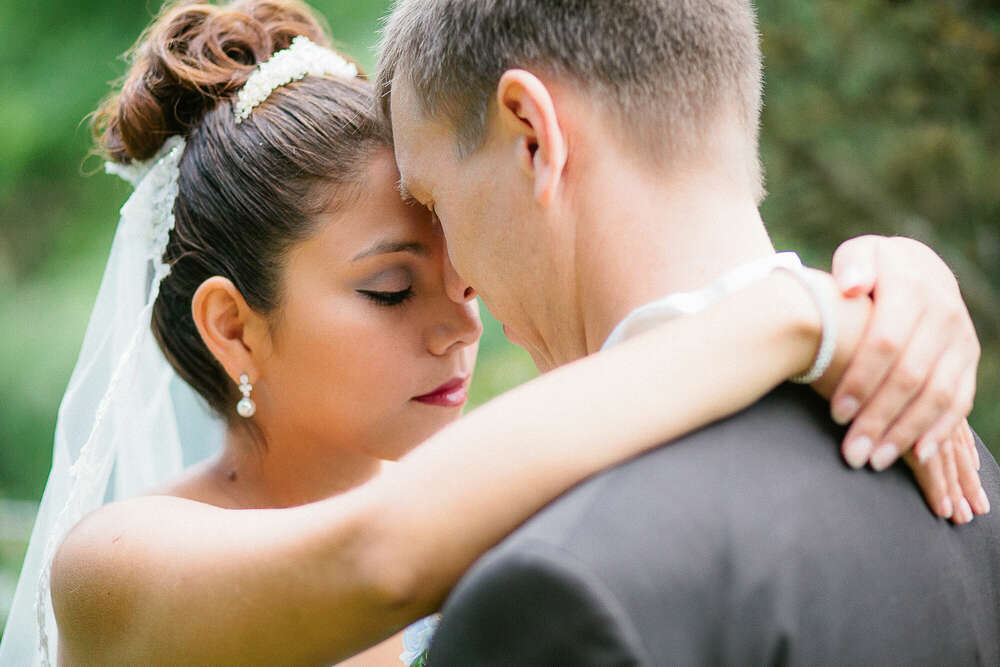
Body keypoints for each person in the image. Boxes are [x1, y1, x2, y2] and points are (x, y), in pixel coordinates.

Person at [0, 1, 986, 666]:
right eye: (390, 286)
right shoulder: (115, 562)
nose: (462, 305)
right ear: (231, 324)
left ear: (532, 140)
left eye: (450, 240)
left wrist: (897, 285)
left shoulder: (532, 491)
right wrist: (793, 307)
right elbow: (378, 554)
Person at [379, 0, 1000, 663]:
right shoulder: (964, 463)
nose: (459, 282)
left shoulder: (560, 583)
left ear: (533, 136)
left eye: (434, 204)